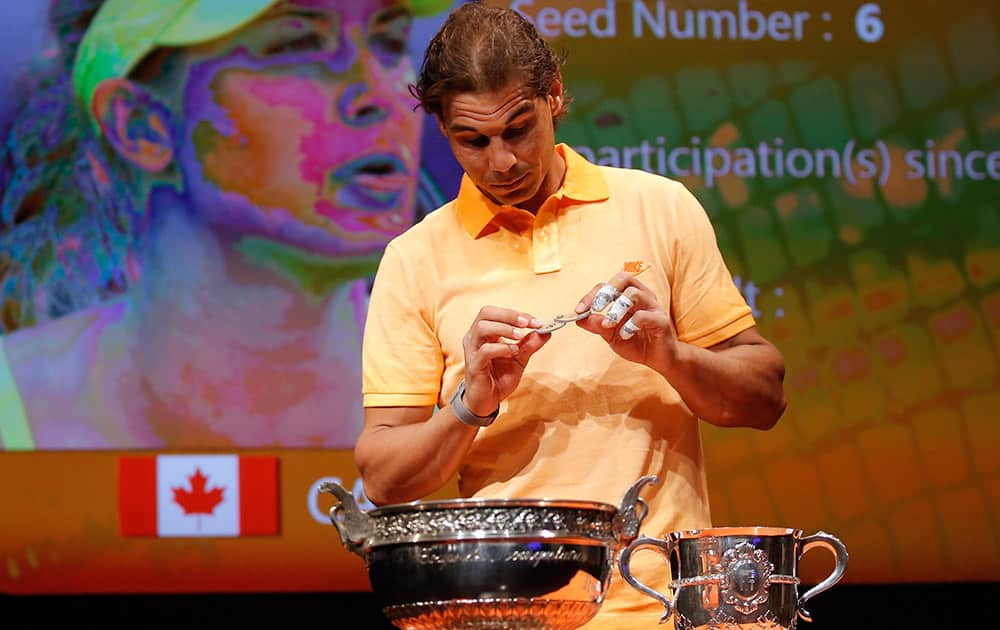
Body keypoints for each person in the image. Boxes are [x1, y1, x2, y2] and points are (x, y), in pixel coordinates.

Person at [355, 3, 788, 627]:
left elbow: (764, 399)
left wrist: (670, 355)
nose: (500, 162)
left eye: (518, 129)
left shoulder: (659, 207)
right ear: (441, 128)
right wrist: (471, 403)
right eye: (471, 141)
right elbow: (383, 480)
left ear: (554, 96)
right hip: (506, 615)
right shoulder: (413, 258)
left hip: (663, 609)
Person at [0, 0, 449, 450]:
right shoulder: (12, 408)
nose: (382, 95)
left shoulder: (473, 394)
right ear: (141, 127)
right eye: (298, 43)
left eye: (390, 43)